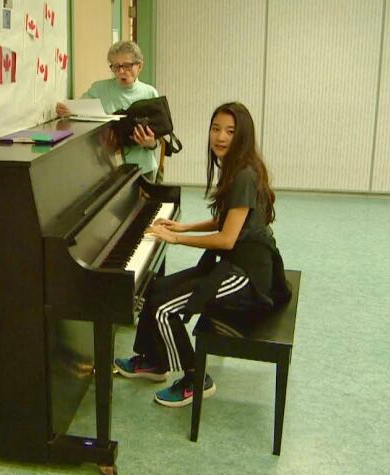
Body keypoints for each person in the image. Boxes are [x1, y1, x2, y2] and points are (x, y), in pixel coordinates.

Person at [113, 102, 291, 408]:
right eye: (215, 129)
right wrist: (185, 225)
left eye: (230, 132)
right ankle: (154, 363)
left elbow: (225, 238)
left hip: (248, 279)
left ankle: (196, 378)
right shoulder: (236, 167)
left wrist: (177, 238)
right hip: (235, 262)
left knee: (163, 309)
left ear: (243, 136)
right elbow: (229, 220)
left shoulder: (244, 175)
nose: (220, 137)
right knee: (155, 287)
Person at [56, 40, 160, 180]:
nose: (121, 71)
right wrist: (66, 110)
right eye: (116, 67)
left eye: (127, 66)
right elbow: (77, 109)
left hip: (142, 169)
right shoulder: (99, 89)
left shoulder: (150, 93)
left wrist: (150, 143)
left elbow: (157, 139)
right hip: (107, 168)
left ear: (140, 66)